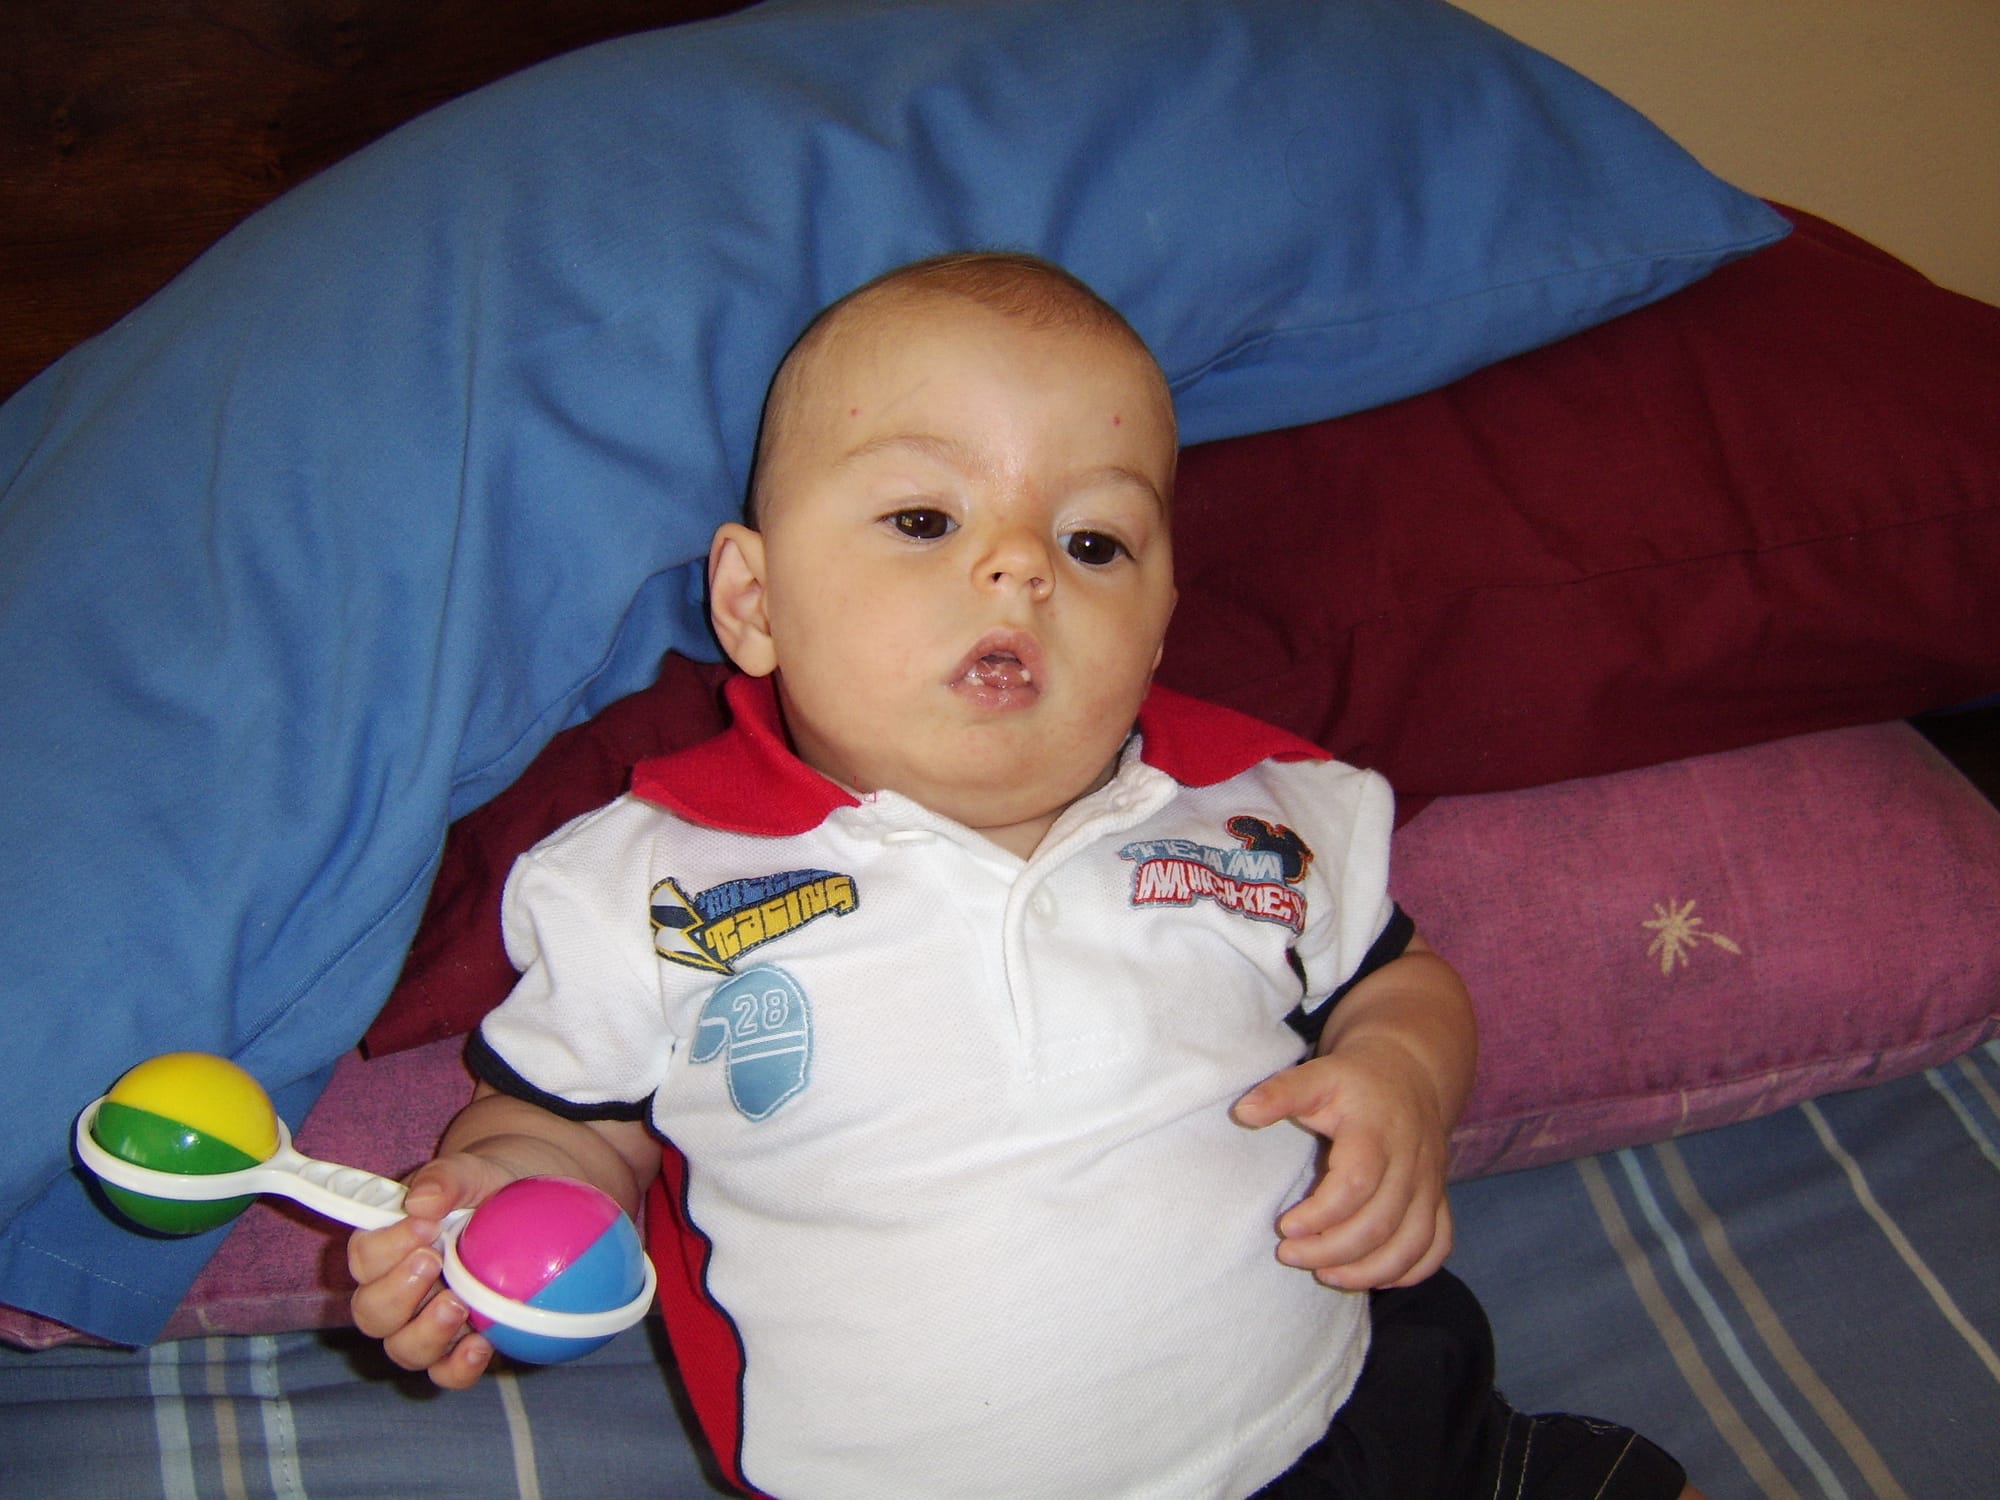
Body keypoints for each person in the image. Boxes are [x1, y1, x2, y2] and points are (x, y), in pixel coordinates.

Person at [350, 252, 1696, 1500]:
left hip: (1340, 1421)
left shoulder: (1255, 813)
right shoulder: (650, 880)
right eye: (924, 517)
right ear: (754, 603)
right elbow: (569, 1128)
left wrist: (1404, 1075)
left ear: (1159, 626)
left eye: (1094, 543)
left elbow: (1402, 983)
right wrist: (490, 1209)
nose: (1018, 567)